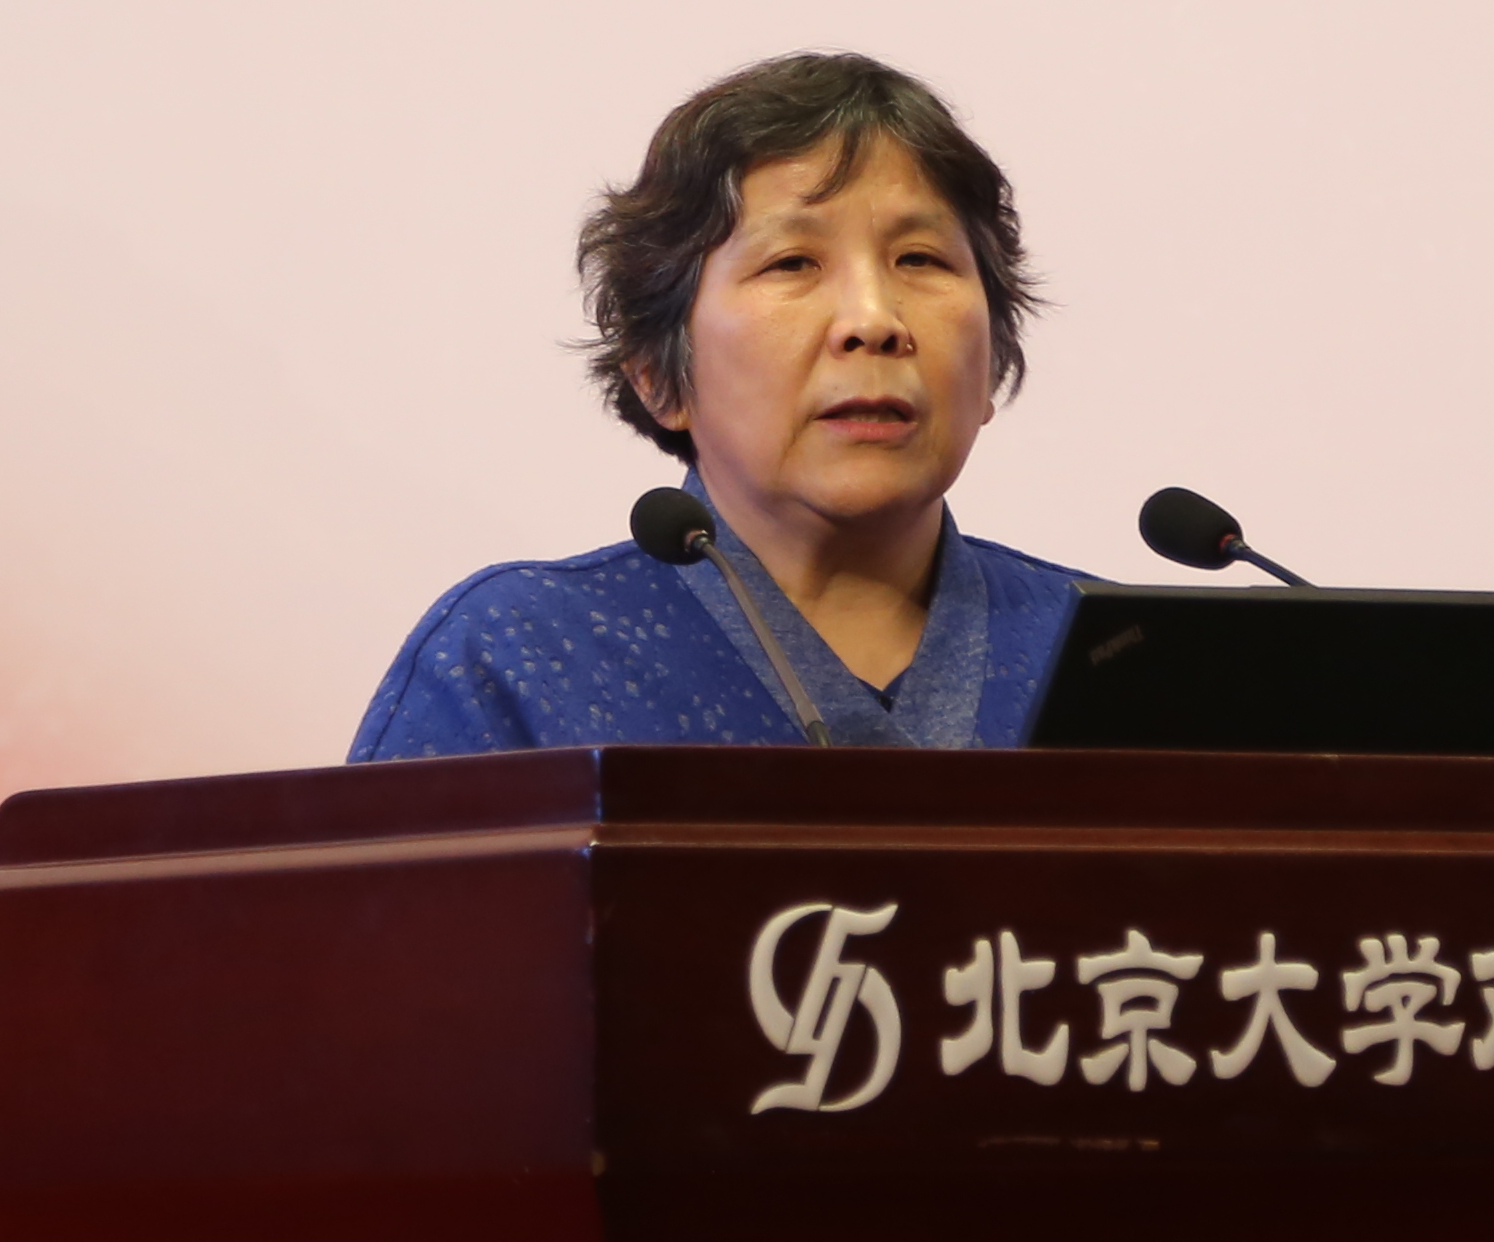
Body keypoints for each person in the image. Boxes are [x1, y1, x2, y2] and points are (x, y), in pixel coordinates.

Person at [350, 52, 1093, 755]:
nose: (874, 321)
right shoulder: (518, 657)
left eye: (920, 259)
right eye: (792, 262)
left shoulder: (1108, 650)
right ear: (657, 374)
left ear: (991, 360)